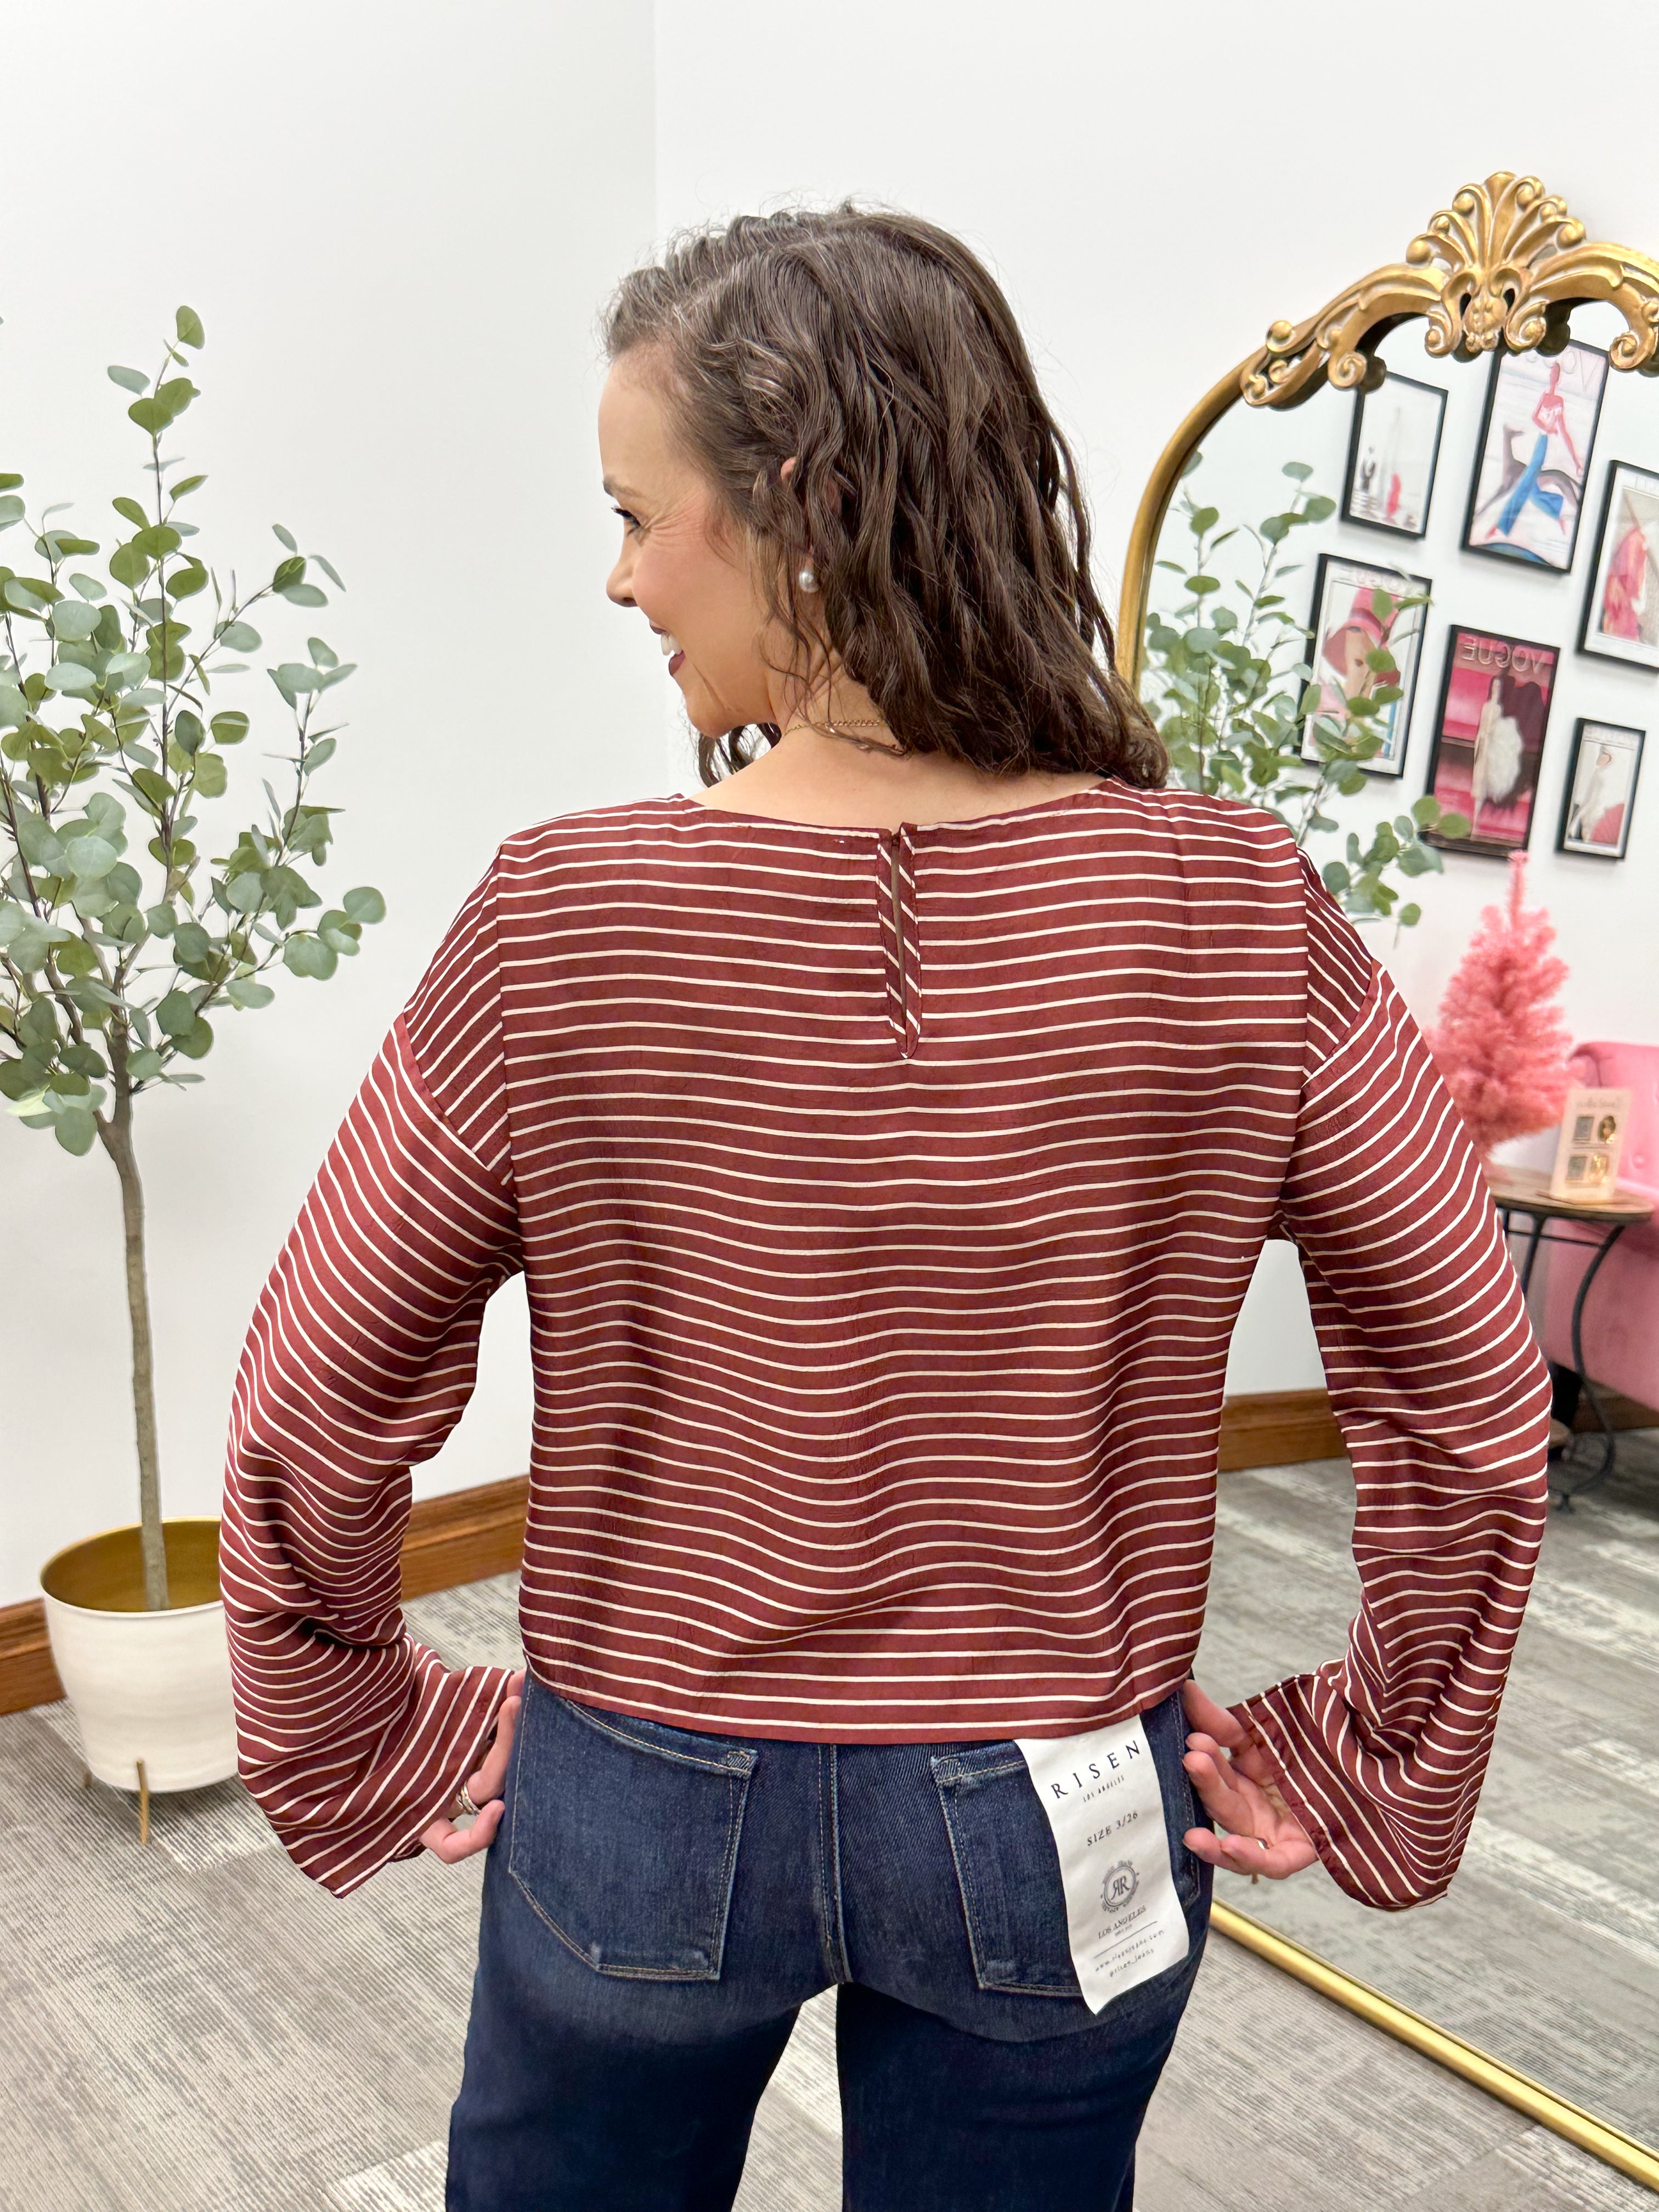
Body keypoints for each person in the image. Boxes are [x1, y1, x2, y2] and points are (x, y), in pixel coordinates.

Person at [218, 206, 1552, 2212]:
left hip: (640, 1780)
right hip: (1060, 1797)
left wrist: (353, 1721)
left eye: (636, 516)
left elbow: (310, 1394)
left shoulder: (562, 917)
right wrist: (1370, 1749)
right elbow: (1474, 1398)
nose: (618, 575)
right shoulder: (1242, 910)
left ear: (807, 512)